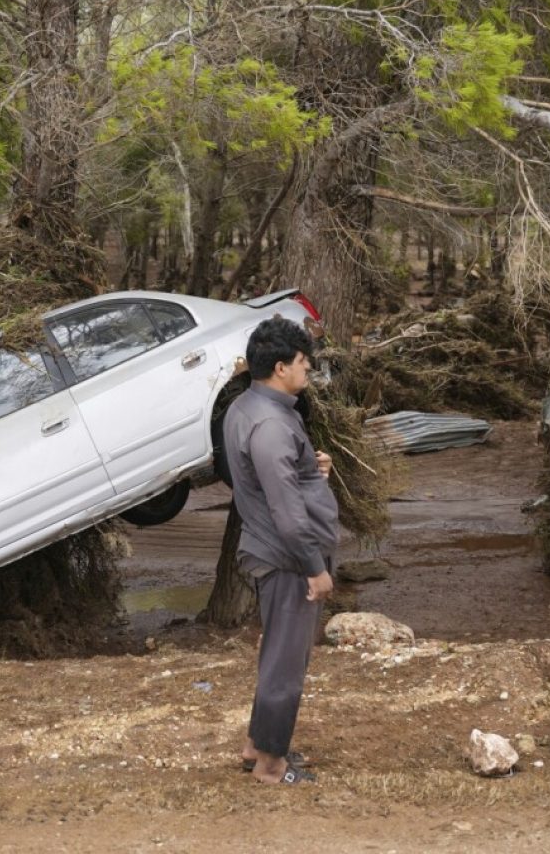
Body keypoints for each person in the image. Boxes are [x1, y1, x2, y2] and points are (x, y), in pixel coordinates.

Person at [222, 316, 339, 785]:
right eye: (300, 361)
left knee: (277, 656)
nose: (307, 368)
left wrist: (311, 467)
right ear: (279, 367)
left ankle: (257, 746)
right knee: (287, 664)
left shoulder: (248, 408)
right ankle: (271, 766)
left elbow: (264, 476)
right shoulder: (271, 424)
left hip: (274, 551)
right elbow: (287, 511)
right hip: (288, 559)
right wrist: (315, 568)